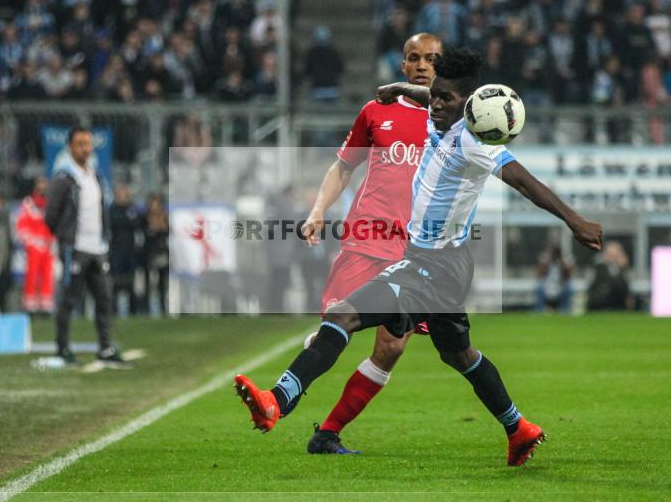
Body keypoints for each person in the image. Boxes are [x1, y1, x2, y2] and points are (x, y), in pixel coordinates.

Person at [235, 48, 604, 466]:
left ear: (468, 106)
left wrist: (574, 221)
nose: (435, 104)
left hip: (433, 265)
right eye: (435, 95)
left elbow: (524, 181)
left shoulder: (475, 140)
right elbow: (429, 97)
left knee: (343, 316)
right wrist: (399, 88)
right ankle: (518, 428)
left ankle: (277, 401)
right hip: (441, 263)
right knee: (459, 355)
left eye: (445, 98)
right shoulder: (441, 111)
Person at [299, 33, 442, 455]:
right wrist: (317, 211)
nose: (421, 65)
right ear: (402, 64)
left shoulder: (452, 119)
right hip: (367, 239)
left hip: (415, 251)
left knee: (392, 346)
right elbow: (342, 168)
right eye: (414, 58)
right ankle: (286, 391)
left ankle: (327, 433)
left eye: (431, 60)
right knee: (333, 326)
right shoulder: (376, 111)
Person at [45, 126, 129, 368]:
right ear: (70, 147)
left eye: (88, 144)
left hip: (97, 248)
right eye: (80, 144)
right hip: (76, 248)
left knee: (104, 299)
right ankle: (62, 348)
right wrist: (65, 238)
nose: (85, 148)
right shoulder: (64, 178)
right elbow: (51, 215)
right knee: (69, 301)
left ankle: (105, 347)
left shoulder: (95, 174)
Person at [16, 176, 55, 314]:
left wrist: (53, 240)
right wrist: (30, 240)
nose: (43, 187)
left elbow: (55, 223)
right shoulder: (28, 203)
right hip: (33, 244)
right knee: (31, 274)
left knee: (47, 275)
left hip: (48, 244)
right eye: (40, 184)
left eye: (45, 184)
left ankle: (45, 305)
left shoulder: (51, 203)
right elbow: (21, 224)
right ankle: (30, 305)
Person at [109, 182, 141, 316]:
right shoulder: (111, 210)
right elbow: (113, 224)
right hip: (115, 251)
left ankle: (133, 312)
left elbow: (137, 224)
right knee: (115, 283)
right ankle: (114, 312)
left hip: (130, 252)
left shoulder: (132, 209)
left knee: (131, 284)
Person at [141, 193, 170, 316]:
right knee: (148, 283)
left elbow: (168, 232)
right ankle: (147, 310)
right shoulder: (144, 218)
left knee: (162, 284)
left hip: (162, 253)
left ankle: (163, 309)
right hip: (149, 253)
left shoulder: (165, 218)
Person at [587, 241, 634, 311]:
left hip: (619, 306)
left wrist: (623, 269)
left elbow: (626, 288)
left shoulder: (625, 270)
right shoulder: (598, 268)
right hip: (600, 305)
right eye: (610, 254)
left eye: (615, 255)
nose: (613, 257)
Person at [534, 244, 574, 313]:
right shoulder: (546, 260)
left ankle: (565, 312)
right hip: (547, 286)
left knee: (569, 288)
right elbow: (539, 274)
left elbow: (569, 275)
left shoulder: (564, 261)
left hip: (560, 286)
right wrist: (549, 259)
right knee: (539, 287)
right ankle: (539, 312)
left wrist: (561, 260)